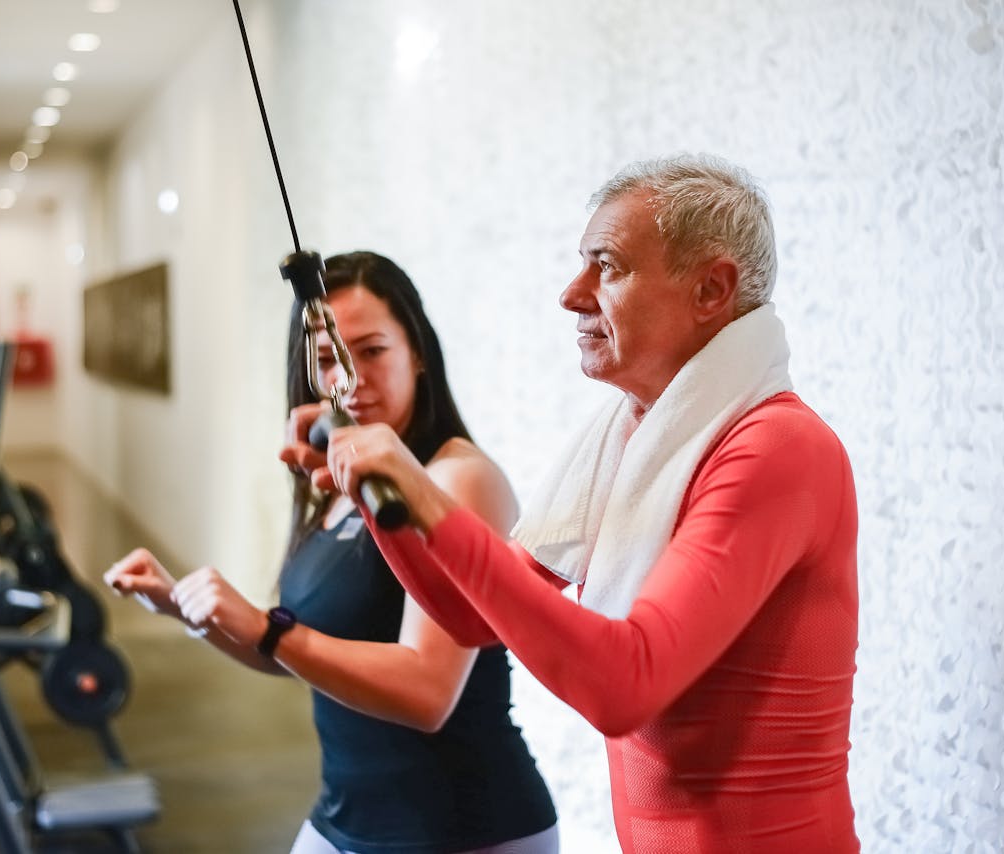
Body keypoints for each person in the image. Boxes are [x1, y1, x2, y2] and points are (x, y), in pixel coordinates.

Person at [315, 156, 861, 853]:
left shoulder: (778, 448)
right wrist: (373, 489)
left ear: (711, 290)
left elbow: (623, 687)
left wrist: (421, 489)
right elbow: (470, 616)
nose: (572, 295)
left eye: (607, 266)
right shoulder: (630, 433)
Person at [105, 251, 558, 854]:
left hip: (463, 828)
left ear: (418, 354)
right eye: (327, 359)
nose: (350, 378)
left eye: (372, 351)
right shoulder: (342, 481)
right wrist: (182, 605)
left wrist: (267, 628)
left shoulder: (457, 478)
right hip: (345, 815)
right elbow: (300, 655)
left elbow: (428, 694)